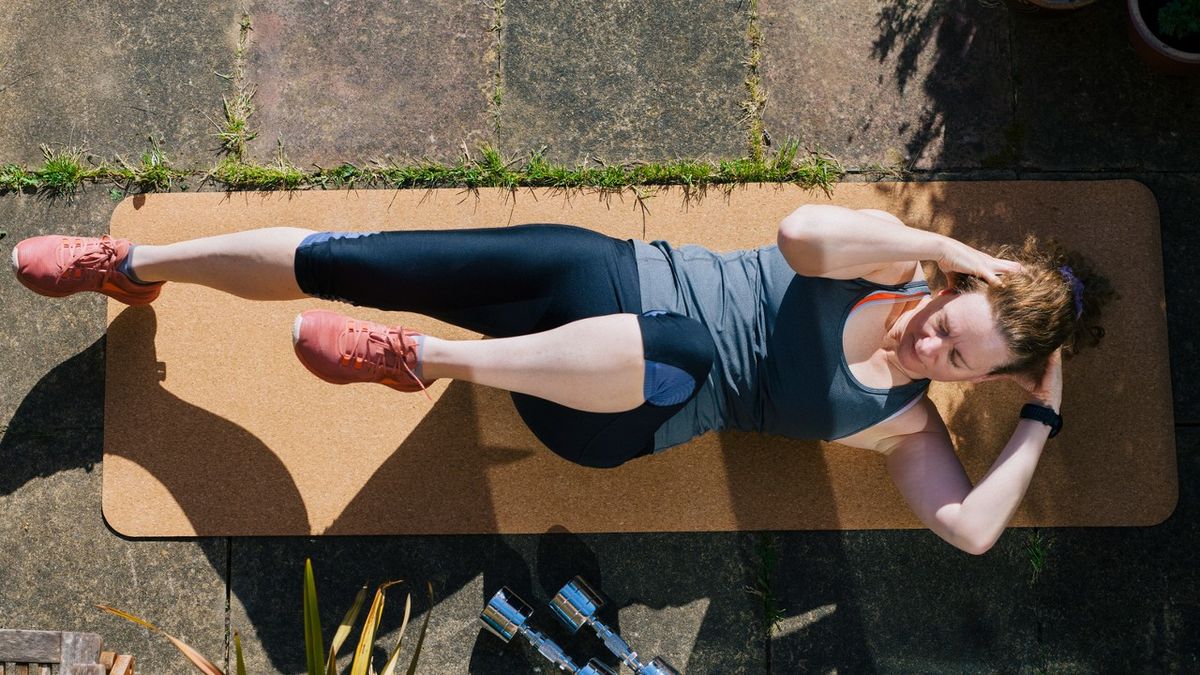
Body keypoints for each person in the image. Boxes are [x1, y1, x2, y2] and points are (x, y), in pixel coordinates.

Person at [10, 204, 1110, 554]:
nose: (927, 343)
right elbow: (798, 229)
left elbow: (968, 531)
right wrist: (951, 254)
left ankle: (419, 359)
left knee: (677, 348)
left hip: (614, 408)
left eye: (958, 357)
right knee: (355, 259)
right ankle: (131, 269)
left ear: (989, 381)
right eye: (940, 318)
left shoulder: (906, 426)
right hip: (597, 280)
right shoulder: (894, 260)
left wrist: (1043, 418)